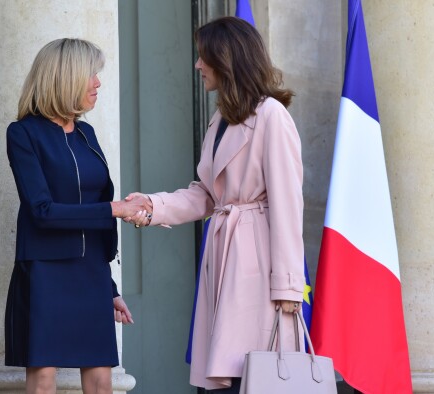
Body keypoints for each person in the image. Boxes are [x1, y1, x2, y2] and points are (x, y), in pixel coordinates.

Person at [126, 16, 305, 393]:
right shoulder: (221, 118)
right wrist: (151, 205)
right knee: (227, 376)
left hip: (258, 262)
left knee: (259, 375)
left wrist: (289, 288)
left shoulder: (272, 116)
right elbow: (206, 194)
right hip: (225, 256)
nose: (197, 66)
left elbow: (289, 205)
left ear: (227, 60)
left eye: (203, 57)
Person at [4, 38, 145, 394]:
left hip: (91, 273)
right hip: (45, 271)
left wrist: (110, 286)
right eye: (90, 75)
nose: (97, 83)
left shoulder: (87, 134)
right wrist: (114, 209)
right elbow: (42, 212)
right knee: (43, 379)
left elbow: (95, 207)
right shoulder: (23, 133)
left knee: (101, 381)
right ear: (65, 78)